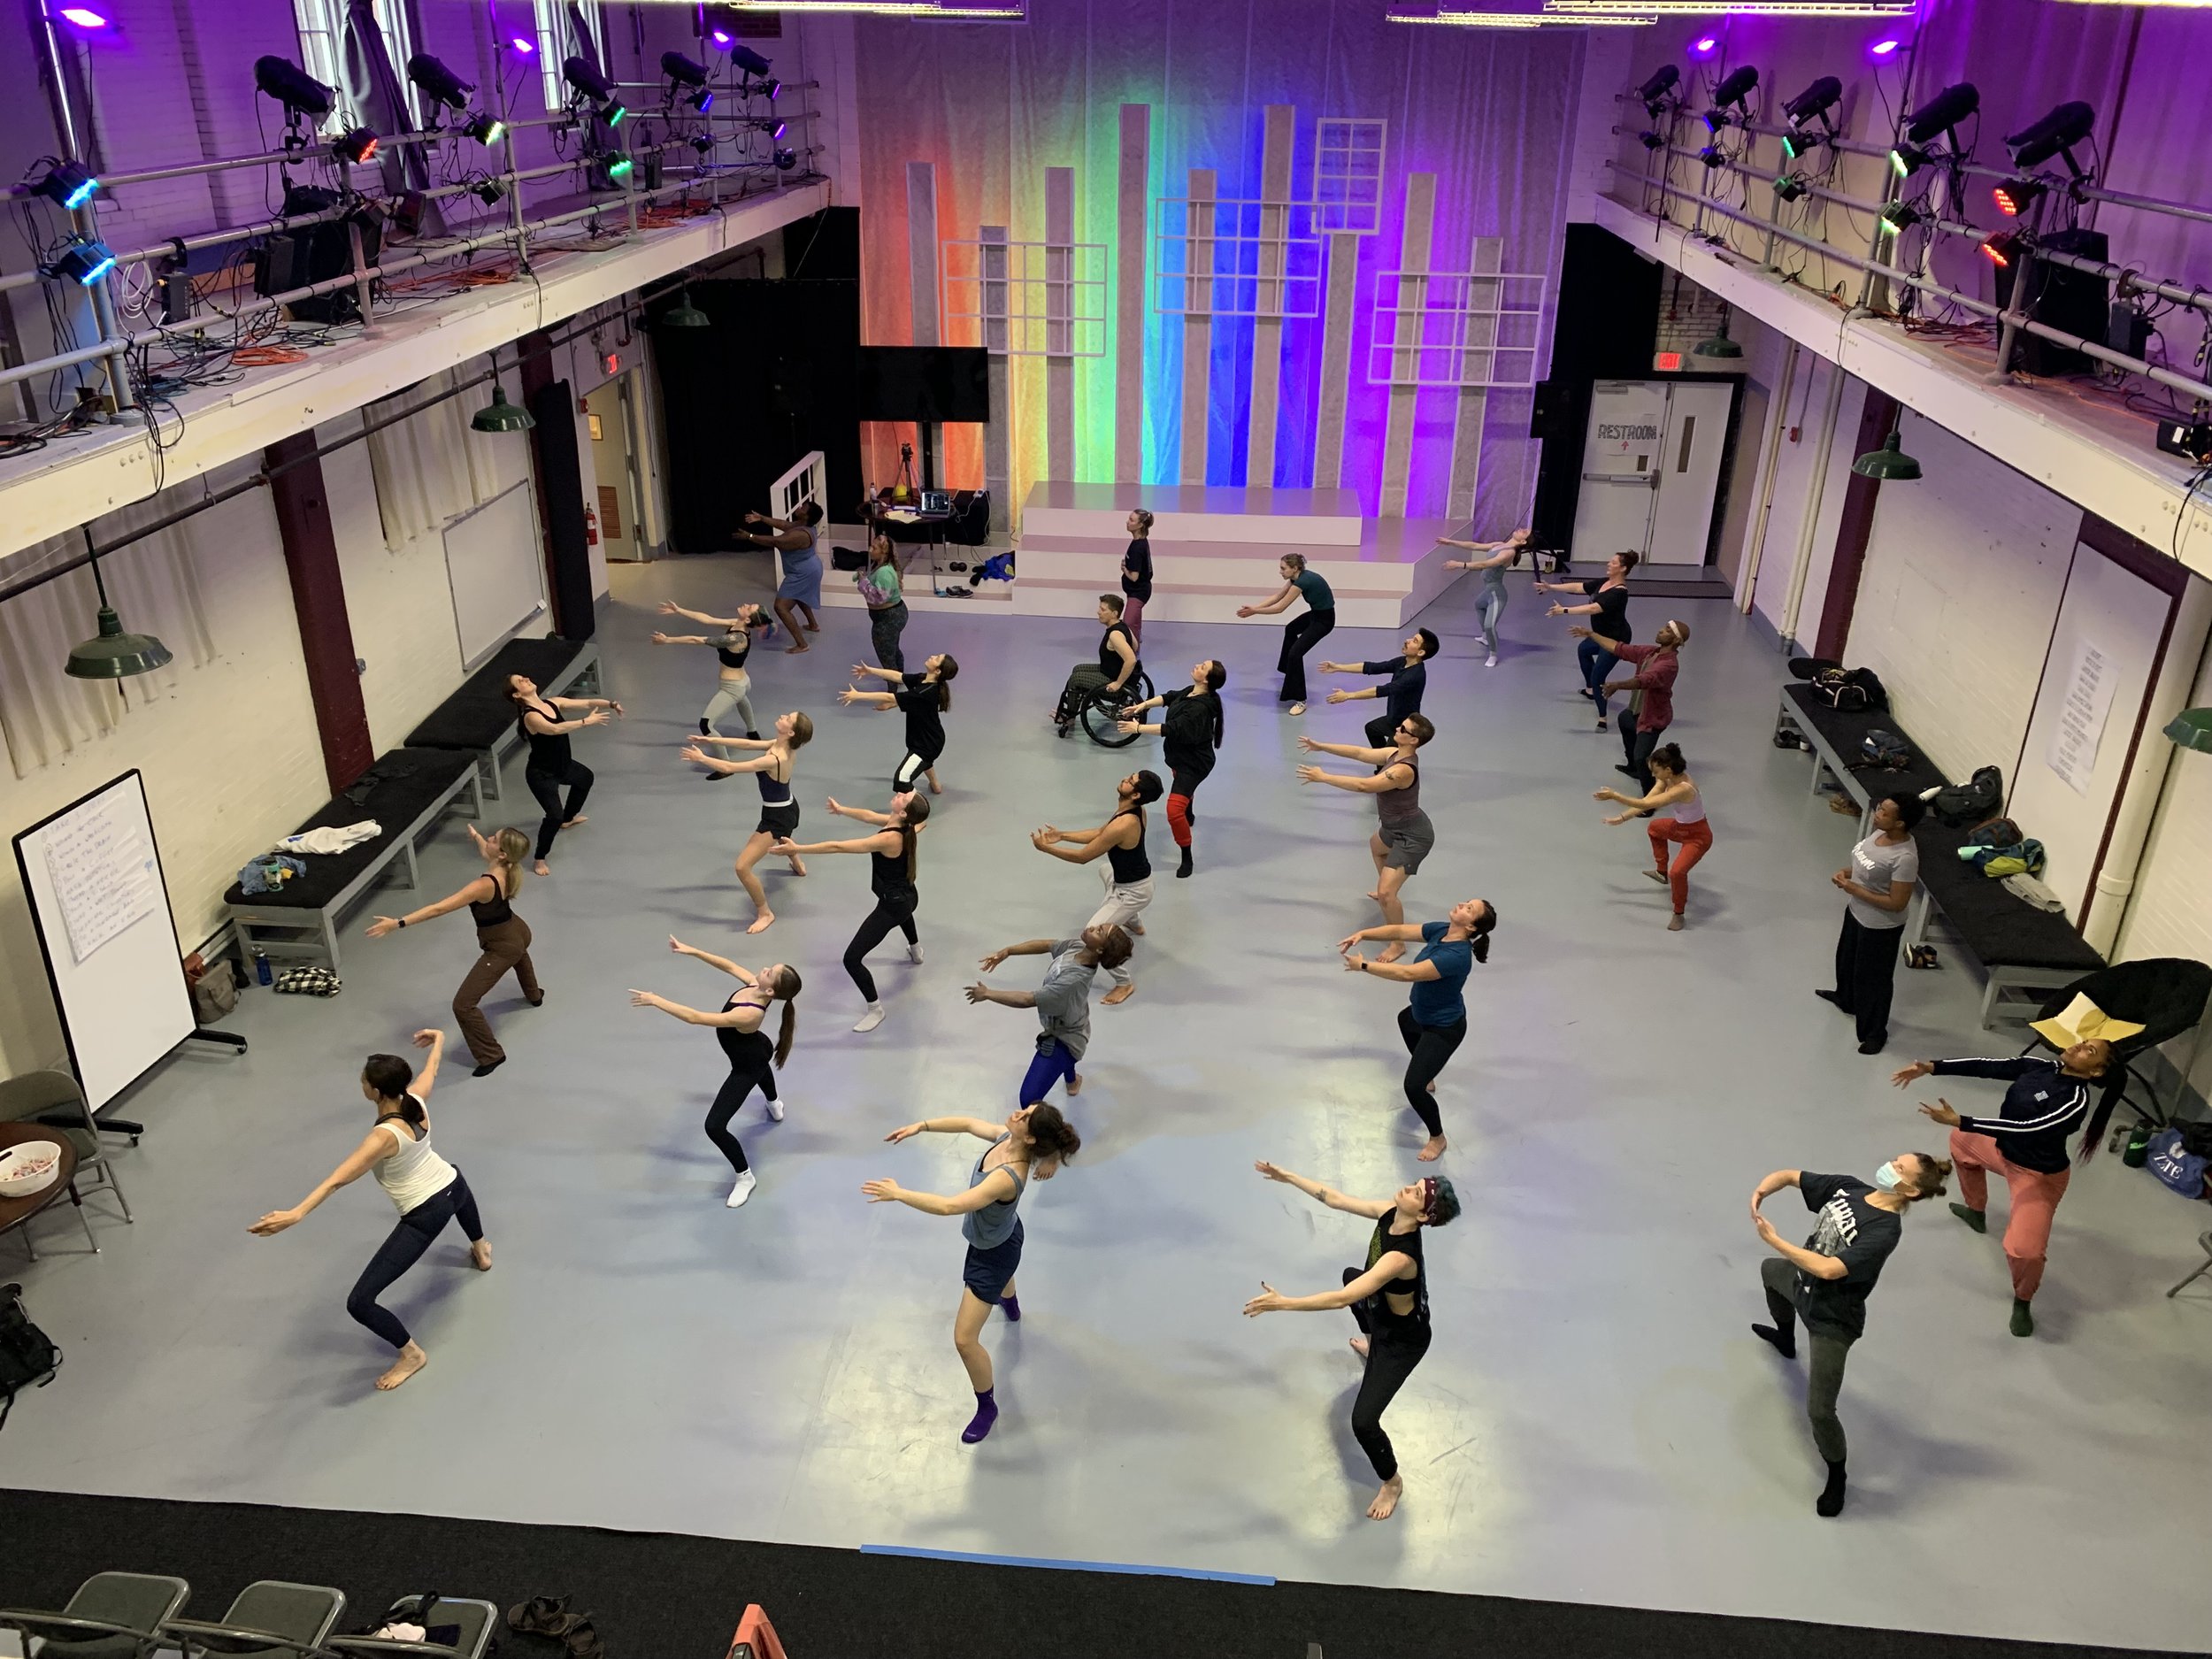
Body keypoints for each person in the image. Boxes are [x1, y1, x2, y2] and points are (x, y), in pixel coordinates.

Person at [249, 1031, 490, 1392]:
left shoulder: (382, 1138)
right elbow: (433, 1069)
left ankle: (412, 1355)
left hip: (424, 1215)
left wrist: (296, 1213)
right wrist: (439, 1039)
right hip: (453, 1186)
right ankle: (482, 1251)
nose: (360, 1083)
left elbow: (337, 1180)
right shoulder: (415, 1100)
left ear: (375, 1092)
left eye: (363, 1080)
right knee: (457, 1180)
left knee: (359, 1302)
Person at [1243, 1164, 1463, 1521]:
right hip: (1383, 1315)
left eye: (1417, 1193)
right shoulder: (1391, 1212)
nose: (1408, 1188)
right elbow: (1335, 1199)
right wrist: (1290, 1177)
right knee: (1352, 1275)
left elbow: (1342, 1299)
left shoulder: (1400, 1258)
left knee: (1363, 1422)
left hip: (1403, 1342)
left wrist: (1283, 1303)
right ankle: (1371, 1344)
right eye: (1414, 1184)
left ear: (1423, 1216)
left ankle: (1392, 1482)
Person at [1748, 1153, 1953, 1517]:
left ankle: (1837, 1476)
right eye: (1896, 1160)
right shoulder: (1850, 1188)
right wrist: (1762, 1191)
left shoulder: (1885, 1231)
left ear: (1910, 1190)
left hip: (1832, 1319)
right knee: (1769, 1273)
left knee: (1820, 1411)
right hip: (1801, 1284)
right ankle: (1785, 1337)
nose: (1890, 1166)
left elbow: (1830, 1269)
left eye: (1900, 1168)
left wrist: (1775, 1241)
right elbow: (1791, 1175)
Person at [866, 1102, 1083, 1444]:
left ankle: (987, 1408)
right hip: (1003, 1235)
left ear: (1030, 1139)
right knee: (1004, 1275)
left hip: (992, 1256)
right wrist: (922, 1125)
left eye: (1026, 1117)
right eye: (1026, 1109)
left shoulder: (1007, 1177)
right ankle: (1010, 1304)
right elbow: (968, 1123)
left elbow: (949, 1206)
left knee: (965, 1340)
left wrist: (898, 1193)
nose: (1018, 1113)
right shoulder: (1006, 1138)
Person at [1891, 1039, 2114, 1337]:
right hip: (2002, 1152)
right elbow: (1989, 1067)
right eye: (2083, 1042)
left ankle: (2023, 1301)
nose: (2077, 1046)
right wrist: (1931, 1067)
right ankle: (1976, 1212)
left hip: (2037, 1175)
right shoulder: (2043, 1067)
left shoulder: (2075, 1101)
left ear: (2096, 1072)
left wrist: (1963, 1120)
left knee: (2025, 1251)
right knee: (1961, 1141)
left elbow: (2028, 1129)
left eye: (2089, 1051)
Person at [630, 937, 802, 1209]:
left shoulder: (750, 1015)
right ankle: (774, 1103)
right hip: (757, 1048)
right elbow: (728, 965)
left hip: (746, 1064)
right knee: (763, 1067)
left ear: (771, 991)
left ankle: (745, 1177)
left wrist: (656, 1000)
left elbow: (695, 1018)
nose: (764, 968)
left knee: (714, 1126)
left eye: (770, 972)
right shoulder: (755, 985)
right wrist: (693, 951)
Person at [366, 825, 539, 1078]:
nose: (489, 839)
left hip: (503, 944)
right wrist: (477, 837)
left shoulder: (483, 885)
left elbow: (439, 908)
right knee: (520, 953)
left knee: (463, 1005)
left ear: (502, 853)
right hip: (518, 930)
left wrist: (398, 923)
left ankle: (491, 1055)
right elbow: (486, 850)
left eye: (494, 839)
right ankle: (534, 995)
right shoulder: (508, 868)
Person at [1339, 899, 1497, 1162]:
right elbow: (1400, 931)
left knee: (1413, 1087)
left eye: (1469, 908)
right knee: (1405, 1020)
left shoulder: (1457, 956)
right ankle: (1428, 1074)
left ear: (1471, 926)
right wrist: (1364, 934)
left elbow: (1408, 974)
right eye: (1467, 902)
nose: (1462, 904)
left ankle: (1438, 1138)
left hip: (1444, 1028)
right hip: (1421, 1014)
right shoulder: (1442, 930)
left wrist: (1364, 966)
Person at [773, 791, 930, 1033]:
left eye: (905, 797)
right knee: (904, 915)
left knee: (852, 959)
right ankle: (916, 950)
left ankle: (875, 1009)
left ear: (902, 812)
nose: (900, 793)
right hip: (909, 896)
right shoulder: (904, 825)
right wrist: (842, 810)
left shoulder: (889, 838)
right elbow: (869, 816)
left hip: (893, 905)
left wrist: (797, 848)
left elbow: (838, 846)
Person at [1295, 715, 1437, 960]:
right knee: (1377, 847)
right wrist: (1321, 747)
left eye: (1403, 728)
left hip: (1412, 835)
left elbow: (1365, 786)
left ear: (1414, 740)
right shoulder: (1394, 753)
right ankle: (1387, 890)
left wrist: (1324, 777)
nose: (1397, 728)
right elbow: (1360, 753)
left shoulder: (1403, 770)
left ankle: (1398, 943)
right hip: (1393, 826)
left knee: (1387, 894)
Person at [1030, 771, 1163, 1006]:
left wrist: (1046, 849)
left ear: (1136, 794)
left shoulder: (1125, 823)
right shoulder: (1132, 810)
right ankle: (1133, 921)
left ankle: (1124, 983)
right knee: (1105, 869)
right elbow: (1102, 833)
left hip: (1133, 892)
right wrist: (1062, 835)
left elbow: (1082, 857)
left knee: (1094, 935)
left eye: (1130, 781)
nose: (1124, 779)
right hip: (1132, 880)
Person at [966, 926, 1133, 1106]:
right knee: (1064, 1063)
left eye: (1099, 932)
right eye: (1099, 927)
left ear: (1099, 950)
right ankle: (1073, 1082)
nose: (1092, 927)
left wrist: (988, 994)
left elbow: (1027, 1000)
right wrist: (1008, 951)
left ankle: (1048, 1119)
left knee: (1028, 1099)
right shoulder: (1078, 947)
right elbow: (1047, 945)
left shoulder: (1072, 982)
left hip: (1065, 1039)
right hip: (1072, 1018)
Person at [681, 710, 814, 934]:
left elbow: (730, 768)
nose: (782, 716)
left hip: (777, 817)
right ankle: (798, 866)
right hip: (788, 806)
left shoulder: (774, 759)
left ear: (791, 732)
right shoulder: (783, 746)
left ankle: (765, 913)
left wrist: (702, 758)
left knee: (742, 867)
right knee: (784, 835)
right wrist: (712, 740)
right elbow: (746, 744)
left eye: (788, 718)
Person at [1816, 793, 1923, 1055]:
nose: (1877, 813)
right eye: (1879, 808)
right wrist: (1846, 873)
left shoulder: (1905, 858)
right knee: (1847, 960)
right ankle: (1846, 998)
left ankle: (1875, 1033)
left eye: (1884, 812)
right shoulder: (1879, 833)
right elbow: (1868, 867)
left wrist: (1854, 889)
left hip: (1879, 928)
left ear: (1900, 823)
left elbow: (1897, 902)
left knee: (1873, 981)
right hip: (1856, 913)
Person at [1118, 660, 1225, 879]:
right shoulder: (1192, 691)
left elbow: (1171, 729)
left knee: (1174, 811)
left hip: (1194, 764)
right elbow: (1170, 697)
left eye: (1202, 667)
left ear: (1206, 680)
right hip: (1180, 757)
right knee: (1182, 788)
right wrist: (1143, 706)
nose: (1197, 665)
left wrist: (1137, 728)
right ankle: (1189, 812)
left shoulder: (1199, 709)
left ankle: (1187, 857)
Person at [504, 674, 619, 874]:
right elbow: (554, 729)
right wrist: (586, 722)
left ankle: (568, 819)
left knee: (585, 778)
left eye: (524, 677)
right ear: (516, 694)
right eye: (520, 681)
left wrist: (611, 704)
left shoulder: (553, 703)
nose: (526, 679)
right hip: (542, 775)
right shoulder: (530, 716)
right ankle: (540, 858)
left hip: (563, 766)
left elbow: (587, 703)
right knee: (553, 816)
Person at [1594, 741, 1709, 931]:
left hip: (1698, 837)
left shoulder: (1683, 789)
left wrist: (1615, 796)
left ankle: (1678, 913)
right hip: (1680, 828)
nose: (1653, 776)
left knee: (1677, 872)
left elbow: (1647, 805)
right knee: (1655, 828)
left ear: (1668, 770)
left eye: (1656, 772)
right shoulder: (1667, 779)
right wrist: (1622, 818)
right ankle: (1661, 873)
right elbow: (1647, 801)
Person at [1574, 618, 1687, 791]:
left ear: (1676, 640)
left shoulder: (1669, 665)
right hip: (1637, 711)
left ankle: (1650, 795)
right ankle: (1633, 768)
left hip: (1653, 717)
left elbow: (1644, 680)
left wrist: (1617, 685)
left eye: (1667, 631)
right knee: (1625, 719)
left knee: (1642, 757)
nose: (1660, 631)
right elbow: (1617, 647)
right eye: (1663, 628)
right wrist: (1591, 634)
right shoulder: (1650, 653)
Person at [1534, 550, 1637, 729]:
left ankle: (1603, 718)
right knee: (1583, 651)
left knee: (1598, 676)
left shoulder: (1619, 593)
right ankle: (1590, 690)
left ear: (1623, 568)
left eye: (1613, 563)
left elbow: (1593, 609)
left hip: (1615, 640)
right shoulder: (1605, 583)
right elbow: (1578, 587)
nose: (1608, 564)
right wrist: (1550, 587)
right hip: (1599, 635)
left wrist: (1564, 610)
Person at [653, 600, 772, 750]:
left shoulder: (735, 638)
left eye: (749, 608)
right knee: (741, 698)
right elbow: (708, 620)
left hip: (732, 686)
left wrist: (667, 640)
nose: (746, 604)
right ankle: (752, 731)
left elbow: (697, 640)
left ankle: (724, 762)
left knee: (706, 725)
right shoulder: (737, 624)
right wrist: (679, 610)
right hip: (743, 681)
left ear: (748, 619)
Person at [844, 654, 960, 793]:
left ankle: (918, 805)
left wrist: (858, 695)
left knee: (901, 780)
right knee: (920, 761)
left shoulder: (926, 692)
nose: (932, 656)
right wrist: (870, 670)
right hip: (924, 738)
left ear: (938, 671)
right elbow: (898, 676)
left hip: (927, 745)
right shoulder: (923, 679)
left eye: (936, 658)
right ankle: (936, 786)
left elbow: (890, 697)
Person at [1238, 553, 1334, 715]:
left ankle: (1301, 700)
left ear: (1295, 568)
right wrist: (1254, 608)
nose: (1280, 571)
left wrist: (1255, 611)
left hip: (1324, 621)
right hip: (1316, 615)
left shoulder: (1303, 581)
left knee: (1295, 654)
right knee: (1291, 629)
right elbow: (1277, 597)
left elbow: (1280, 608)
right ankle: (1289, 671)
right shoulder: (1296, 578)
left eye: (1283, 568)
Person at [1319, 630, 1438, 749]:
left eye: (1414, 641)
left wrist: (1348, 695)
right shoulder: (1403, 661)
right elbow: (1373, 667)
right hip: (1392, 720)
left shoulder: (1414, 676)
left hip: (1405, 729)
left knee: (1391, 755)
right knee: (1372, 729)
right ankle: (1380, 760)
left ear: (1421, 652)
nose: (1407, 641)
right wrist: (1338, 667)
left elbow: (1383, 690)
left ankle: (1385, 759)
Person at [739, 501, 826, 652]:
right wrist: (762, 518)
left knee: (781, 607)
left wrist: (750, 536)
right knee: (800, 596)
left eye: (803, 508)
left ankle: (802, 645)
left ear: (806, 516)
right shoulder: (802, 525)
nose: (799, 507)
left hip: (803, 573)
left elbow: (776, 541)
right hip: (809, 568)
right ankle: (813, 625)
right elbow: (783, 525)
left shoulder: (799, 535)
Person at [1438, 527, 1530, 668]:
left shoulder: (1509, 553)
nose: (1521, 529)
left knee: (1489, 625)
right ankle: (1486, 637)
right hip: (1488, 590)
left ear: (1523, 541)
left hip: (1497, 594)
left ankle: (1493, 655)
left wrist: (1459, 565)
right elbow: (1475, 546)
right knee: (1479, 605)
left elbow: (1485, 564)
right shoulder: (1499, 544)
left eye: (1525, 532)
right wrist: (1451, 542)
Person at [1052, 594, 1141, 734]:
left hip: (1113, 679)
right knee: (1078, 669)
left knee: (1076, 679)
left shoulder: (1115, 635)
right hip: (1111, 671)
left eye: (1103, 609)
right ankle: (1070, 709)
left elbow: (1131, 660)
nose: (1098, 612)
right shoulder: (1123, 626)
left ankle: (1069, 717)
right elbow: (1135, 646)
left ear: (1114, 613)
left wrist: (1118, 683)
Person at [858, 533, 909, 671]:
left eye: (874, 548)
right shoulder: (882, 567)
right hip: (891, 615)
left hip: (888, 618)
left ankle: (893, 682)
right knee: (892, 649)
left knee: (886, 655)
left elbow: (878, 599)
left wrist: (863, 583)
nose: (870, 550)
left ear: (883, 552)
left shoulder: (884, 573)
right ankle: (899, 676)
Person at [1120, 508, 1155, 647]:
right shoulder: (1140, 542)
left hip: (1138, 593)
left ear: (1140, 525)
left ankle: (1131, 650)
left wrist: (1125, 569)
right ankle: (1135, 644)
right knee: (1134, 623)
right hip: (1136, 591)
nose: (1127, 522)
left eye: (1132, 520)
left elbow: (1134, 577)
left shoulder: (1137, 547)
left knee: (1128, 623)